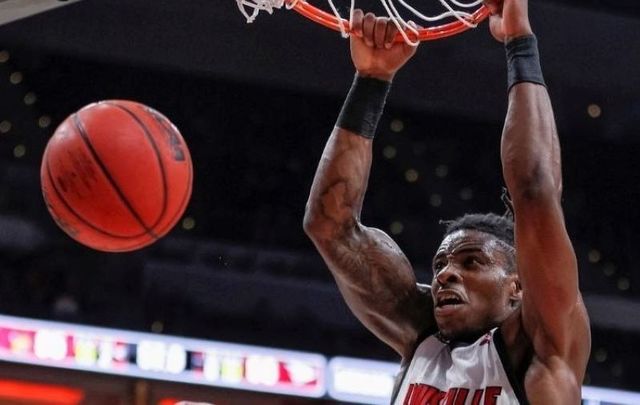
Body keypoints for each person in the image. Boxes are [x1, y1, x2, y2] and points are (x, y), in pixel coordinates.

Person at [302, 0, 591, 403]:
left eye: (471, 262)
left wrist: (519, 41)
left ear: (518, 287)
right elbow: (330, 225)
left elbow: (534, 190)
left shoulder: (541, 349)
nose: (445, 275)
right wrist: (371, 79)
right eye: (441, 264)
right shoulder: (423, 336)